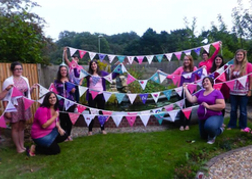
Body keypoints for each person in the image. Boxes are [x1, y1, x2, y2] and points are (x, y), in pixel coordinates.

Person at [2, 61, 37, 153]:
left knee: (22, 126)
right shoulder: (8, 81)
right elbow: (4, 98)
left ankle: (22, 146)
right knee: (15, 127)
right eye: (16, 69)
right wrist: (7, 111)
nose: (19, 70)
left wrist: (32, 89)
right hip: (13, 106)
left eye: (20, 69)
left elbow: (26, 94)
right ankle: (18, 147)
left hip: (24, 105)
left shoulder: (25, 79)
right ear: (12, 70)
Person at [183, 77, 225, 144]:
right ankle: (214, 129)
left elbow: (222, 106)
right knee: (203, 137)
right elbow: (191, 99)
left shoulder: (217, 92)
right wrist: (185, 89)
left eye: (206, 81)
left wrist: (208, 106)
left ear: (211, 82)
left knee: (209, 126)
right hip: (202, 118)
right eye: (203, 81)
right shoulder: (200, 92)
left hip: (215, 116)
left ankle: (217, 132)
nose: (204, 82)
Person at [28, 92, 68, 156]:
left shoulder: (55, 108)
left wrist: (59, 128)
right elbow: (44, 125)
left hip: (50, 131)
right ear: (47, 99)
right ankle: (35, 148)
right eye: (50, 98)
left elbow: (56, 121)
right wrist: (54, 116)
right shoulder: (42, 109)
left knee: (64, 134)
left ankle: (50, 144)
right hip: (40, 135)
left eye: (54, 97)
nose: (52, 99)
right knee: (56, 151)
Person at [167, 55, 198, 131]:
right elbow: (172, 76)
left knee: (189, 107)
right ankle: (181, 124)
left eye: (187, 60)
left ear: (190, 61)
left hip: (191, 92)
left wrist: (204, 69)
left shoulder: (195, 69)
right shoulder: (180, 69)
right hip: (180, 91)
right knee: (181, 108)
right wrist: (161, 73)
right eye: (184, 60)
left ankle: (187, 124)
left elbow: (201, 76)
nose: (186, 61)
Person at [227, 49, 252, 131]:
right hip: (233, 91)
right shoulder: (233, 65)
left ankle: (243, 126)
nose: (239, 56)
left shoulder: (249, 65)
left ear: (244, 56)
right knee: (233, 109)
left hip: (244, 92)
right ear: (235, 56)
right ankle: (232, 125)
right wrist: (230, 71)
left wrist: (250, 90)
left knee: (243, 110)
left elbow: (251, 78)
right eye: (237, 55)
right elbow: (230, 79)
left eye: (240, 54)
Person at [54, 65, 76, 141]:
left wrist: (69, 86)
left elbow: (73, 91)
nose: (63, 71)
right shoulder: (57, 81)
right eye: (62, 70)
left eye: (65, 70)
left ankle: (69, 135)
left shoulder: (70, 80)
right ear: (60, 72)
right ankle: (64, 136)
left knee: (69, 119)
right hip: (60, 103)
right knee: (62, 120)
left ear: (67, 72)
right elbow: (54, 91)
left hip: (70, 102)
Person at [86, 60, 107, 135]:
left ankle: (103, 129)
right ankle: (90, 130)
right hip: (91, 95)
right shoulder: (88, 74)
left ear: (97, 65)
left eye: (94, 64)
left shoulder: (101, 73)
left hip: (101, 94)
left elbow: (111, 76)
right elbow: (78, 74)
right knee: (91, 112)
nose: (93, 65)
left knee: (101, 112)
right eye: (92, 64)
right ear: (90, 66)